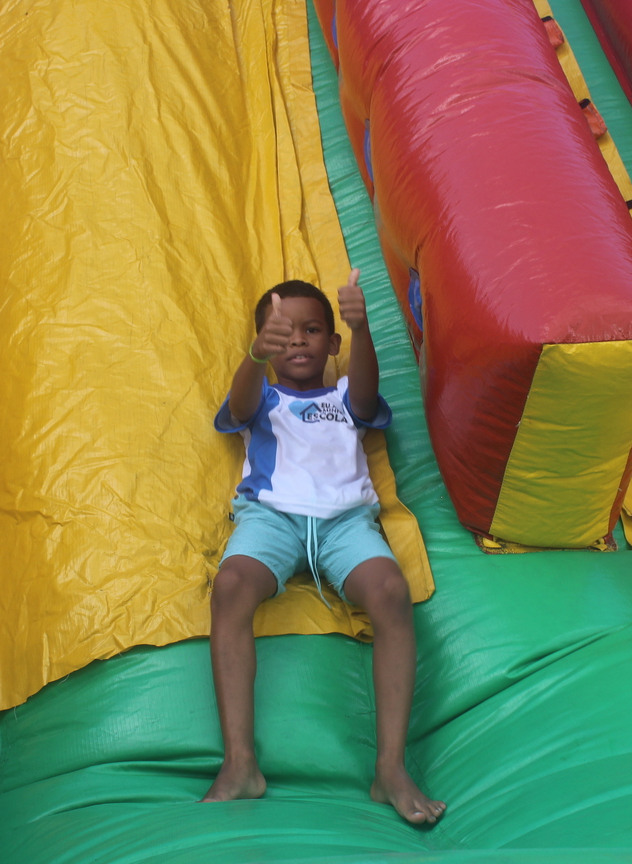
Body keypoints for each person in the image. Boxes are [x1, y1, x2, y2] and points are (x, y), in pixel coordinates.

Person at [202, 269, 446, 825]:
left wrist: (362, 330)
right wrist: (254, 355)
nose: (298, 341)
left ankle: (390, 769)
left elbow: (366, 394)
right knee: (231, 586)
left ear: (332, 344)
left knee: (390, 592)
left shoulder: (342, 397)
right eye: (282, 334)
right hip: (273, 518)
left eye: (312, 331)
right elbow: (237, 405)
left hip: (344, 523)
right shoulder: (263, 397)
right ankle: (240, 764)